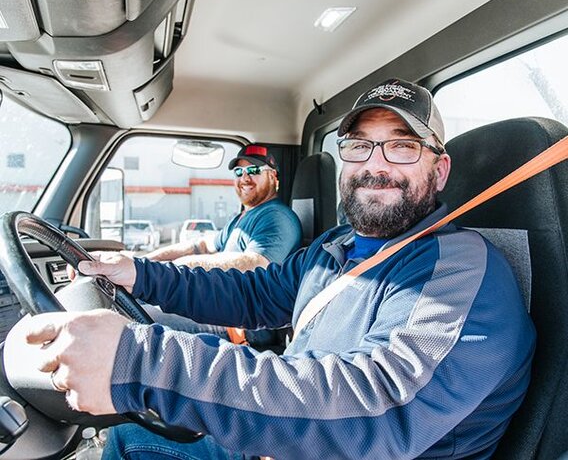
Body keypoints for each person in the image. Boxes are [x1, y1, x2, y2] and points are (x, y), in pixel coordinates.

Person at [24, 78, 535, 460]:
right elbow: (252, 295)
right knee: (131, 438)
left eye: (402, 146)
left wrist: (141, 360)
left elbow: (382, 408)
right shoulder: (334, 247)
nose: (375, 164)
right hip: (287, 432)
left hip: (341, 444)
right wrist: (138, 274)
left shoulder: (464, 273)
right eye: (359, 145)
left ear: (439, 169)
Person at [137, 145, 302, 348]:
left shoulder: (276, 217)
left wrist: (172, 271)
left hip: (244, 324)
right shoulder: (241, 218)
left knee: (135, 319)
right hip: (218, 307)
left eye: (254, 170)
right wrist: (149, 261)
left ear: (273, 177)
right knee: (137, 304)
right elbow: (202, 246)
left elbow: (255, 263)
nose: (245, 178)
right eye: (239, 172)